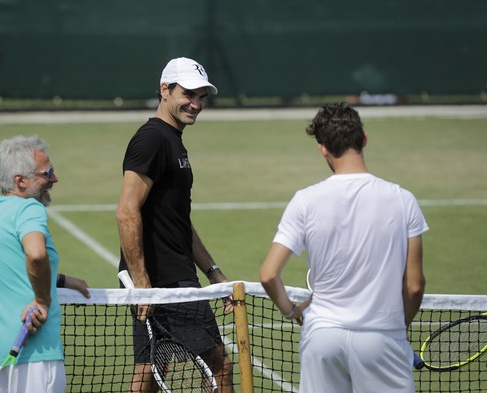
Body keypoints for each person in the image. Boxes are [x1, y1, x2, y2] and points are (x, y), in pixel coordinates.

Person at [260, 103, 428, 393]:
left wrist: (292, 311)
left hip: (322, 338)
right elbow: (414, 286)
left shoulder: (305, 200)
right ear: (363, 138)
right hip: (382, 338)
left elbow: (268, 275)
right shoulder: (403, 200)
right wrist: (398, 328)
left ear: (322, 148)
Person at [116, 57, 234, 392]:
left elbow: (177, 220)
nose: (196, 104)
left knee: (150, 370)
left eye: (202, 97)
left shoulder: (171, 138)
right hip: (164, 280)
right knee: (219, 367)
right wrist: (142, 283)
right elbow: (126, 210)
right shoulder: (152, 139)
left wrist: (213, 271)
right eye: (188, 94)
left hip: (166, 276)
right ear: (165, 90)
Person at [0, 135, 90, 392]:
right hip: (37, 353)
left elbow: (9, 267)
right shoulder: (29, 209)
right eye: (47, 172)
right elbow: (36, 255)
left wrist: (62, 280)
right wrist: (42, 300)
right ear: (21, 180)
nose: (54, 179)